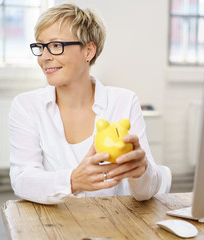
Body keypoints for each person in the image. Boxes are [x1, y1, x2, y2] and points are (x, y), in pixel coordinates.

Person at [9, 3, 162, 204]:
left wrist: (142, 171)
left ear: (88, 51)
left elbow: (145, 192)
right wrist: (72, 181)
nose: (44, 57)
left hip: (114, 227)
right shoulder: (26, 106)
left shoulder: (124, 102)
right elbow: (22, 180)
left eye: (56, 46)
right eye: (40, 46)